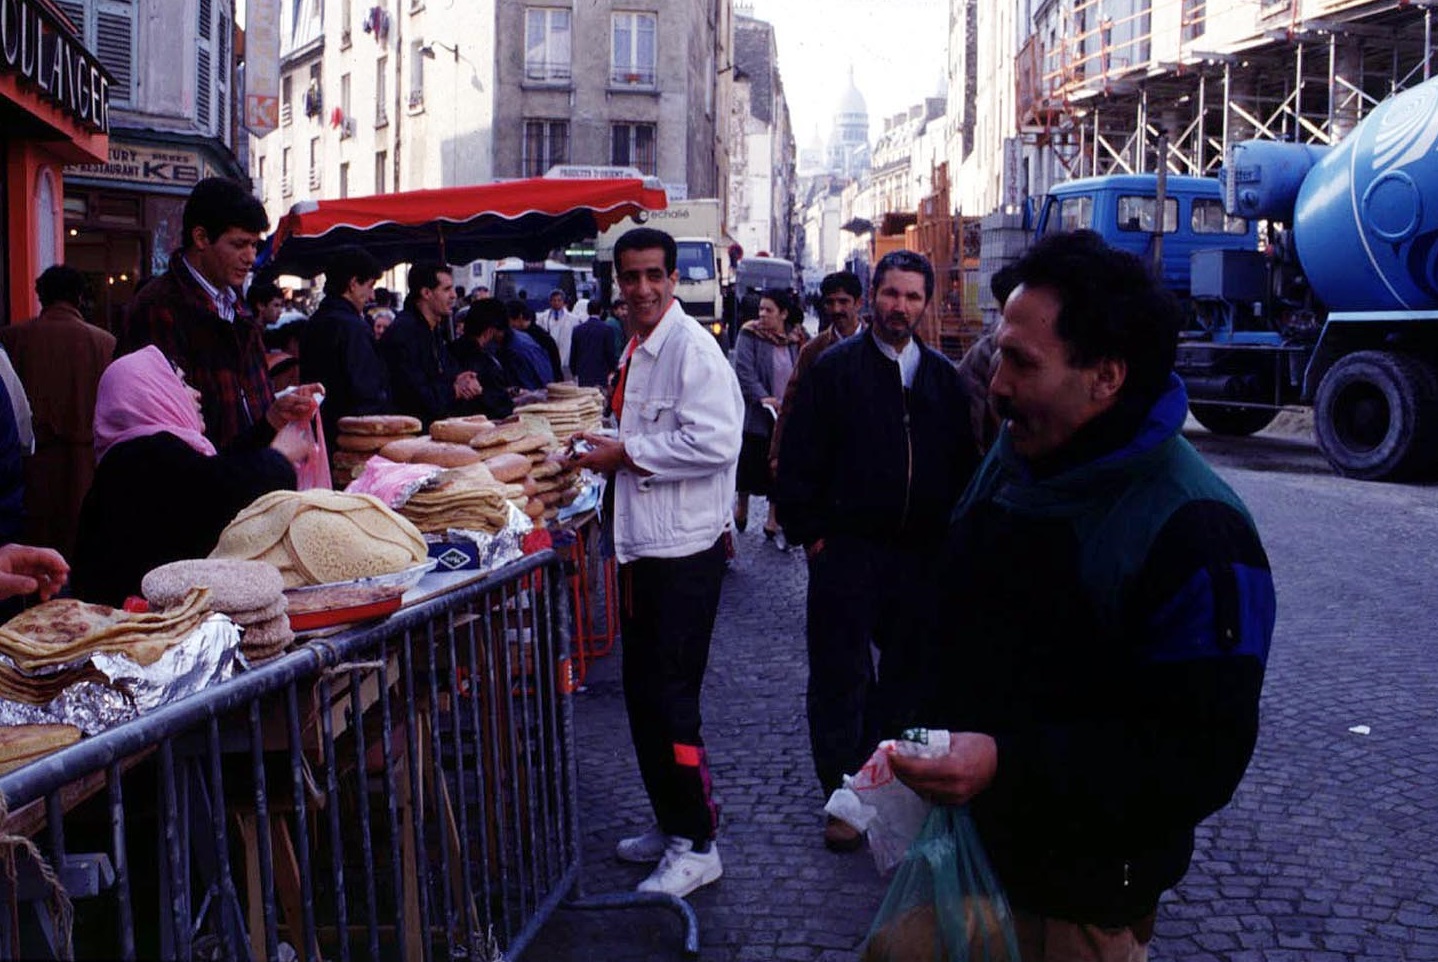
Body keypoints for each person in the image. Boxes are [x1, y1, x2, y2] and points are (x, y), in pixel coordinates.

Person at [890, 231, 1276, 961]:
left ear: (1105, 379)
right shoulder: (1020, 452)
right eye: (1000, 352)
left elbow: (1199, 759)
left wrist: (1006, 761)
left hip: (1080, 903)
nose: (995, 383)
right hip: (966, 856)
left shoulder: (1198, 533)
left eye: (1020, 362)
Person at [774, 249, 979, 853]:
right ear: (872, 296)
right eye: (891, 294)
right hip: (848, 551)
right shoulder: (833, 371)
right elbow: (800, 456)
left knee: (910, 681)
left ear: (926, 303)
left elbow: (962, 467)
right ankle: (844, 799)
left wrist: (949, 547)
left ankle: (890, 788)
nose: (900, 308)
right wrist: (813, 536)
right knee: (840, 679)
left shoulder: (943, 377)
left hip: (918, 556)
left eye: (913, 297)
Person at [572, 227, 743, 899]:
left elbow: (716, 441)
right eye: (630, 277)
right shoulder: (640, 346)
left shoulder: (692, 349)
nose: (641, 288)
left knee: (671, 701)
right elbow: (651, 432)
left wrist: (625, 454)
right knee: (644, 697)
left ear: (673, 279)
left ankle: (698, 842)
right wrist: (607, 441)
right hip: (644, 548)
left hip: (682, 555)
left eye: (653, 275)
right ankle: (672, 822)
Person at [71, 346, 321, 606]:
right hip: (143, 631)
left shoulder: (138, 455)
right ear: (152, 393)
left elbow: (212, 472)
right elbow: (218, 492)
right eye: (180, 382)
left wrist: (270, 423)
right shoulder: (145, 457)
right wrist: (279, 457)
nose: (196, 393)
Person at [114, 177, 274, 449]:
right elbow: (158, 425)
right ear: (201, 238)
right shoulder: (159, 307)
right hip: (199, 480)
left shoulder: (234, 304)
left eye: (254, 245)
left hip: (246, 474)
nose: (250, 257)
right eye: (239, 244)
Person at [0, 266, 114, 557]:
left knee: (33, 549)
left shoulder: (13, 338)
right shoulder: (103, 342)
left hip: (32, 468)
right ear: (79, 297)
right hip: (84, 465)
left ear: (41, 296)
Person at [768, 271, 863, 478]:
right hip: (827, 454)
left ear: (858, 303)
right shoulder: (813, 350)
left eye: (843, 301)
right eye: (830, 302)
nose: (836, 309)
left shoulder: (876, 345)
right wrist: (777, 453)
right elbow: (791, 403)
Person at [731, 288, 808, 542]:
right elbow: (744, 371)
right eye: (760, 309)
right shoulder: (749, 334)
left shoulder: (797, 339)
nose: (762, 314)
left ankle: (773, 517)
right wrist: (763, 397)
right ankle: (742, 505)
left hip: (786, 416)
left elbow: (803, 371)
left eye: (769, 310)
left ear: (783, 314)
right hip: (757, 415)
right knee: (749, 464)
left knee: (779, 467)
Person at [298, 247, 392, 448]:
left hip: (322, 434)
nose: (372, 294)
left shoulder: (315, 321)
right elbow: (367, 393)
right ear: (353, 284)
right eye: (369, 286)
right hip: (353, 439)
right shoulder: (352, 327)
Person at [378, 263, 480, 427]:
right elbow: (413, 395)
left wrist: (462, 378)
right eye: (446, 289)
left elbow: (445, 371)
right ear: (426, 293)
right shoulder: (404, 333)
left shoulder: (433, 330)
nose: (454, 295)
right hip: (410, 434)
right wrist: (455, 389)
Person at [450, 301, 517, 419]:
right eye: (501, 331)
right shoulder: (487, 364)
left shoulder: (447, 351)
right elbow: (501, 409)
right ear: (489, 331)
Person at [508, 299, 563, 386]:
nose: (509, 326)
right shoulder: (541, 334)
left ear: (520, 317)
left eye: (509, 321)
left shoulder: (532, 339)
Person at [568, 299, 621, 389]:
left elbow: (573, 354)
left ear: (588, 311)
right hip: (601, 374)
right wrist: (613, 369)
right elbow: (610, 353)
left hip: (583, 374)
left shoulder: (578, 329)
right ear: (601, 311)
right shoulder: (607, 329)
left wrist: (574, 372)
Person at [538, 288, 580, 380]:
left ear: (563, 301)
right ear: (550, 302)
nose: (556, 302)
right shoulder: (542, 317)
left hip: (566, 359)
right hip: (549, 358)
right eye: (554, 300)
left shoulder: (574, 319)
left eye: (559, 300)